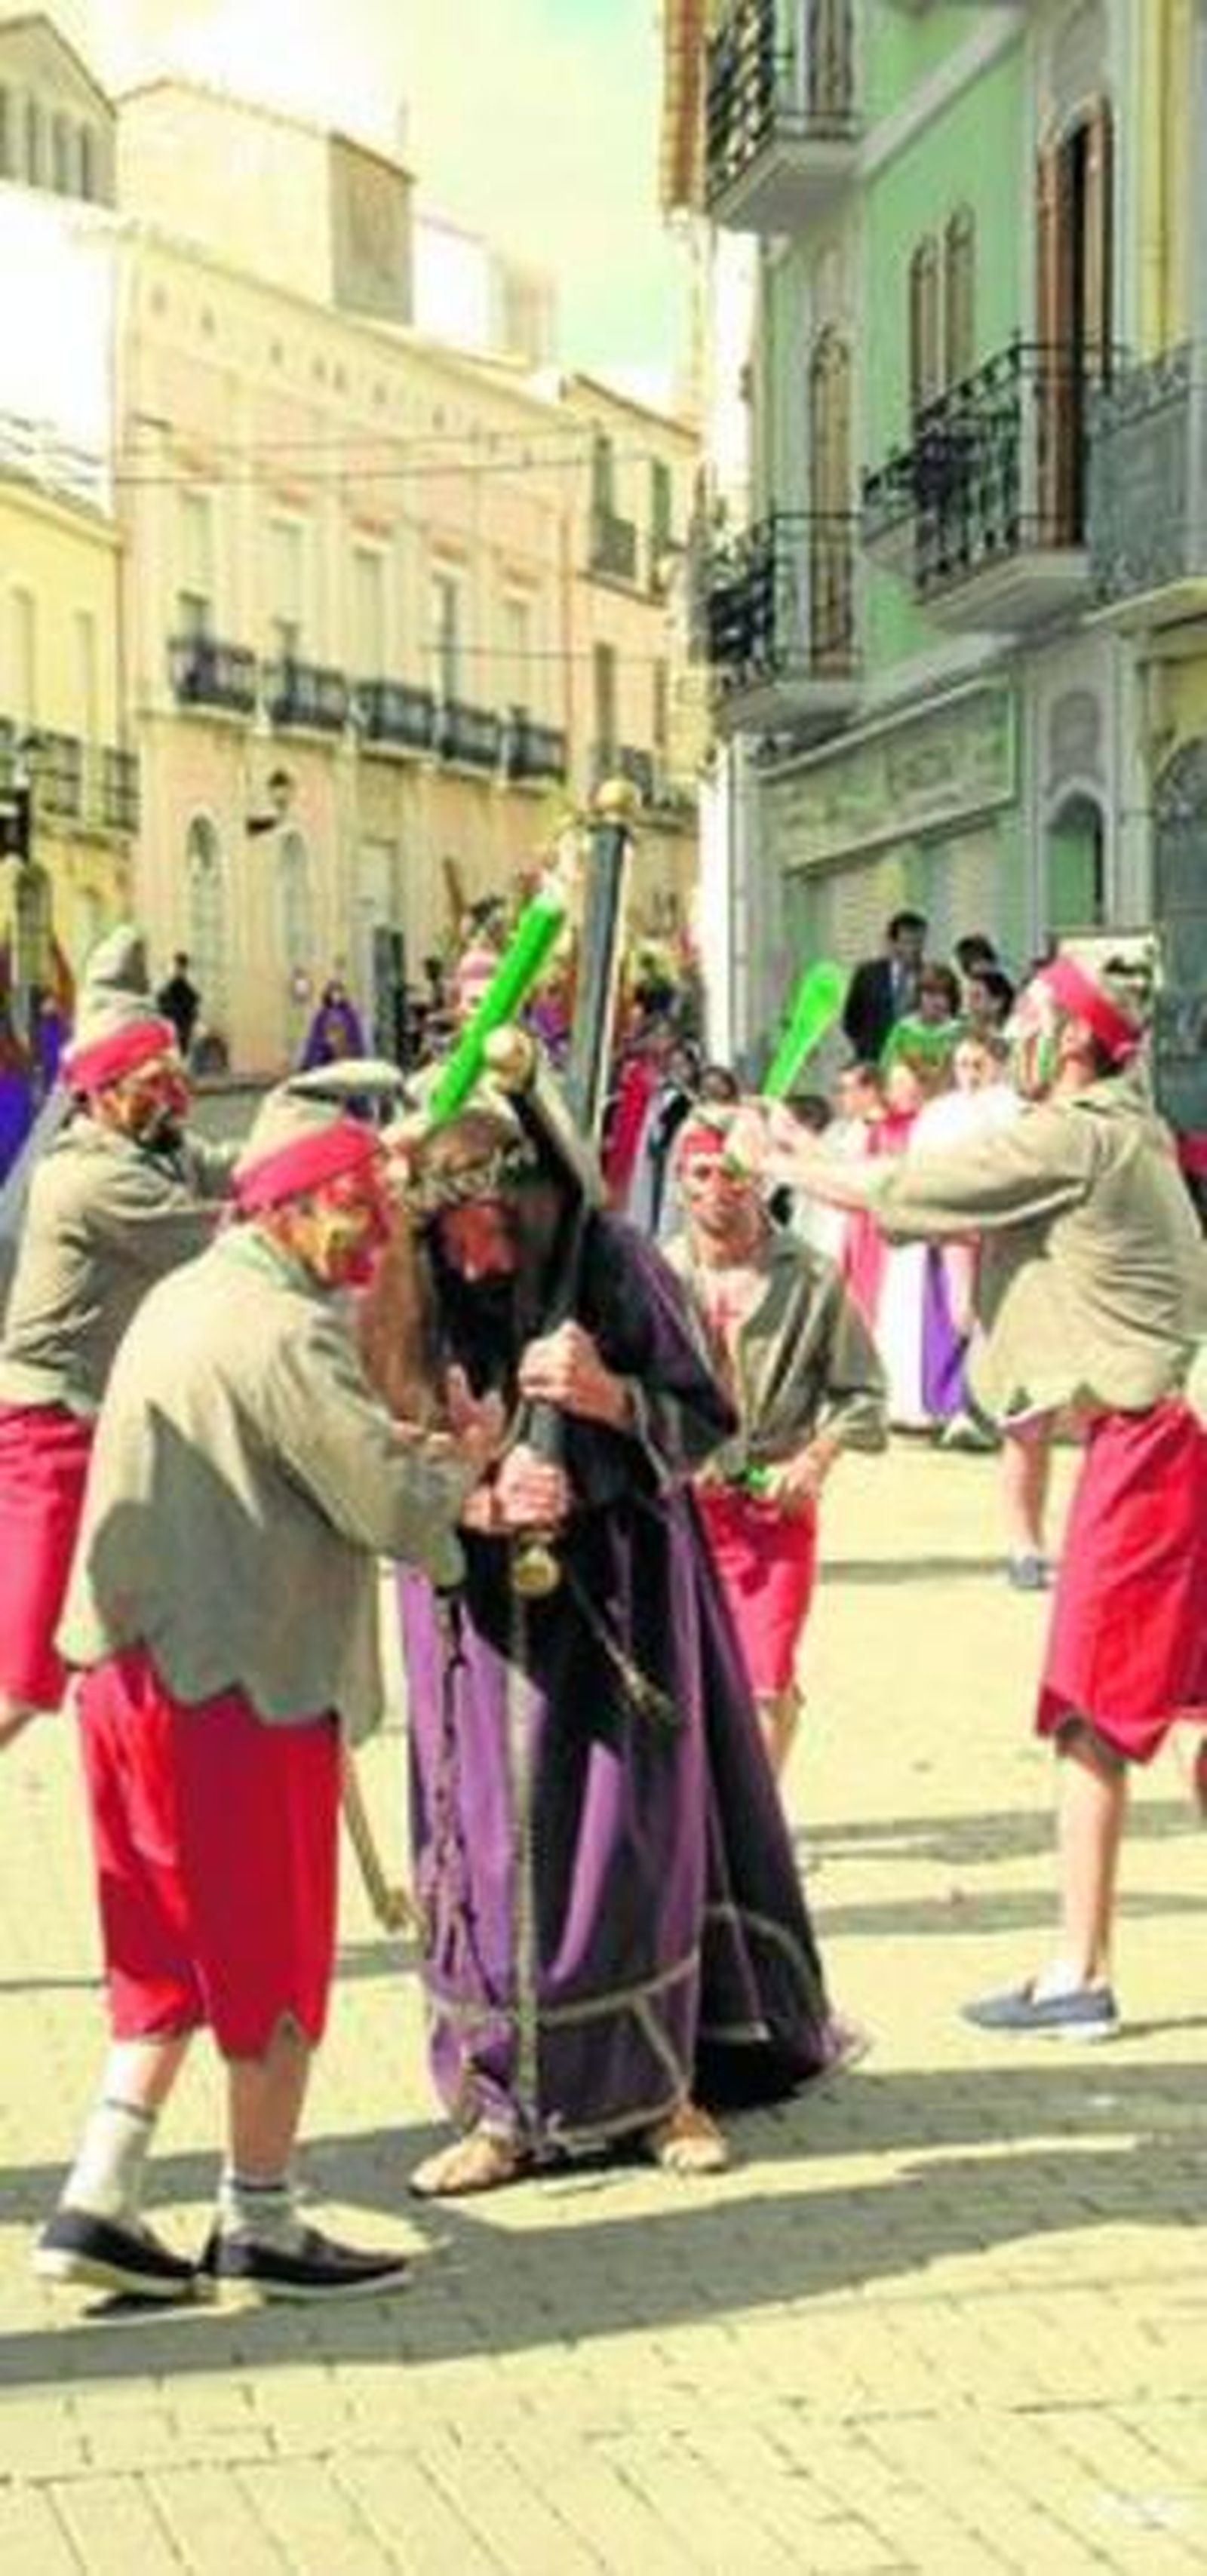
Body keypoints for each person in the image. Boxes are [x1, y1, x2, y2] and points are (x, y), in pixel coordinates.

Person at [37, 1082, 502, 2303]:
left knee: (164, 1954)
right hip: (236, 1687)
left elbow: (296, 1450)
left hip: (131, 1675)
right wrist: (468, 1467)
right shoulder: (288, 1328)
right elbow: (382, 1503)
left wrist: (403, 1454)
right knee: (272, 1959)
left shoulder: (191, 1293)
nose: (375, 1239)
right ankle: (261, 2214)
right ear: (290, 1205)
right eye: (356, 1211)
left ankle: (100, 2194)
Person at [360, 1055, 855, 2197]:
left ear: (528, 1211)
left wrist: (606, 1399)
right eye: (453, 1243)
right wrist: (474, 1488)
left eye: (491, 1236)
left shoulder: (612, 1260)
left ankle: (659, 2091)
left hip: (619, 1597)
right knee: (483, 1855)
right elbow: (379, 1461)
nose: (475, 1262)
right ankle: (498, 2107)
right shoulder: (405, 1294)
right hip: (472, 1621)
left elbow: (707, 1426)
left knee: (628, 1845)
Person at [779, 953, 1207, 2039]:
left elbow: (911, 1193)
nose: (1010, 1029)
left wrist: (774, 1153)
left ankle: (1079, 1973)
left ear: (1075, 1041)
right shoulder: (1130, 1128)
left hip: (1147, 1448)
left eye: (1028, 1015)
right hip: (1165, 1436)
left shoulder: (1074, 1135)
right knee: (1188, 1711)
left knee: (1088, 1712)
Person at [0, 932, 235, 1753]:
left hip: (113, 1425)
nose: (174, 1096)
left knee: (132, 1636)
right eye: (152, 1084)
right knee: (22, 1677)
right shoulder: (91, 1178)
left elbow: (231, 1165)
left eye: (174, 1077)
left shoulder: (151, 1146)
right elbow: (225, 1235)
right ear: (102, 1095)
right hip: (51, 1435)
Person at [666, 1106, 886, 1778]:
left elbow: (863, 1391)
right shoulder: (655, 1275)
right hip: (679, 1511)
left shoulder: (813, 1278)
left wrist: (814, 1459)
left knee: (765, 1678)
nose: (719, 1189)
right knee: (685, 1679)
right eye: (703, 1172)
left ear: (758, 1179)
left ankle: (754, 1825)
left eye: (734, 1173)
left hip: (773, 1509)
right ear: (680, 1181)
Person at [842, 911, 927, 1063]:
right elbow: (851, 1020)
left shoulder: (931, 977)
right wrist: (865, 1048)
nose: (915, 949)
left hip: (918, 1062)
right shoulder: (868, 975)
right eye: (908, 942)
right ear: (892, 943)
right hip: (874, 1061)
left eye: (919, 942)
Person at [880, 963, 964, 1083]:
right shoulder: (903, 1030)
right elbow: (886, 1069)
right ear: (919, 996)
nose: (936, 1001)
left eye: (942, 995)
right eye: (930, 994)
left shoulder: (960, 1032)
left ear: (952, 999)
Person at [299, 975, 365, 1069]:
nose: (336, 996)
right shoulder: (321, 1015)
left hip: (347, 1057)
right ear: (328, 994)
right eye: (333, 993)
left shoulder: (350, 1014)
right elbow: (315, 1039)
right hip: (325, 1058)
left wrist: (350, 1049)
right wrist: (325, 1044)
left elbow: (356, 1037)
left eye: (339, 993)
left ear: (343, 994)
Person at [155, 952, 201, 1063]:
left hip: (179, 1029)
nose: (174, 970)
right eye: (173, 967)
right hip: (172, 1029)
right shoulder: (168, 988)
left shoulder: (184, 989)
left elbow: (192, 1008)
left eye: (177, 967)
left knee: (180, 1053)